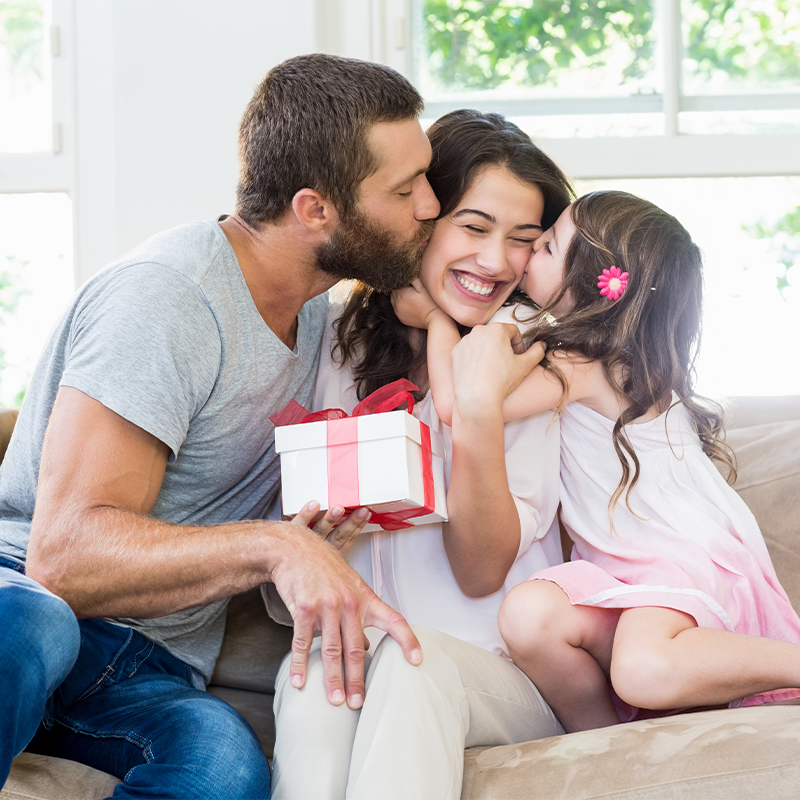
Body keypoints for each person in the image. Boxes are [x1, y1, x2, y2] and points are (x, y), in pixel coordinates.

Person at [0, 53, 440, 798]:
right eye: (405, 189)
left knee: (225, 765)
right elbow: (63, 559)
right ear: (314, 210)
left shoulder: (315, 316)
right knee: (35, 626)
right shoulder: (168, 299)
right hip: (24, 605)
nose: (429, 204)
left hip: (146, 666)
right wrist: (275, 545)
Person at [413, 189, 800, 735]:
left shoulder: (582, 362)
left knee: (643, 670)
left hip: (672, 560)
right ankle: (605, 742)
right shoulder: (621, 359)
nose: (524, 257)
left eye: (543, 247)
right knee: (528, 617)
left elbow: (461, 403)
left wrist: (434, 317)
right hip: (634, 567)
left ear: (589, 283)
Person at [270, 109, 574, 800]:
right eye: (473, 228)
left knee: (414, 659)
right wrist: (303, 546)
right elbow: (288, 588)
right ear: (421, 218)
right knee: (319, 668)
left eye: (523, 240)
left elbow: (479, 568)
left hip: (498, 674)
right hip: (366, 650)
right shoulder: (337, 340)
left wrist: (444, 332)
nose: (496, 262)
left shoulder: (525, 352)